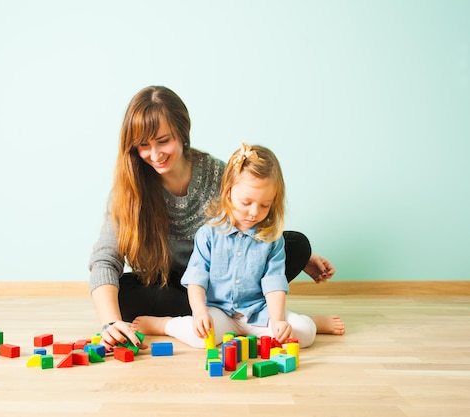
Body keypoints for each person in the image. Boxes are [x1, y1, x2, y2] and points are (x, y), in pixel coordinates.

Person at [88, 85, 344, 352]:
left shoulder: (217, 173)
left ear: (182, 132)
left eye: (163, 141)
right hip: (180, 288)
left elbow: (252, 216)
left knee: (298, 244)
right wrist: (109, 323)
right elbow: (105, 258)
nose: (155, 154)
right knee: (126, 293)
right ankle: (241, 321)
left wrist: (304, 257)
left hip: (224, 277)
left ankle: (258, 320)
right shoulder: (130, 190)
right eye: (144, 145)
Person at [133, 143, 316, 348]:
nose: (254, 212)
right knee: (201, 339)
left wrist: (278, 321)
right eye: (246, 203)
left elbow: (274, 283)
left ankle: (308, 321)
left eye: (265, 205)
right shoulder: (209, 233)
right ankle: (166, 325)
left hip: (258, 313)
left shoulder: (272, 238)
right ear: (228, 192)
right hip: (219, 312)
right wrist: (200, 312)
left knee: (305, 333)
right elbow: (196, 279)